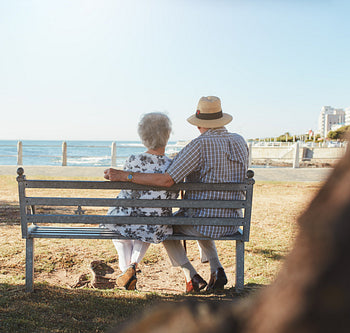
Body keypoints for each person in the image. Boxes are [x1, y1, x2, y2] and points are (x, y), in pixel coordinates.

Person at [104, 96, 249, 293]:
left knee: (166, 226)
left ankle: (191, 275)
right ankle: (217, 269)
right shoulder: (240, 141)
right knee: (200, 216)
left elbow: (167, 180)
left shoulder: (199, 145)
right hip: (231, 221)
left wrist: (126, 175)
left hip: (204, 221)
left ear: (199, 125)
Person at [101, 112, 178, 290]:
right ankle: (133, 265)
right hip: (156, 223)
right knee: (145, 231)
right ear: (167, 136)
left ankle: (125, 269)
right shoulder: (172, 165)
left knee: (120, 235)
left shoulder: (133, 160)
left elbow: (127, 191)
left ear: (143, 137)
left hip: (127, 218)